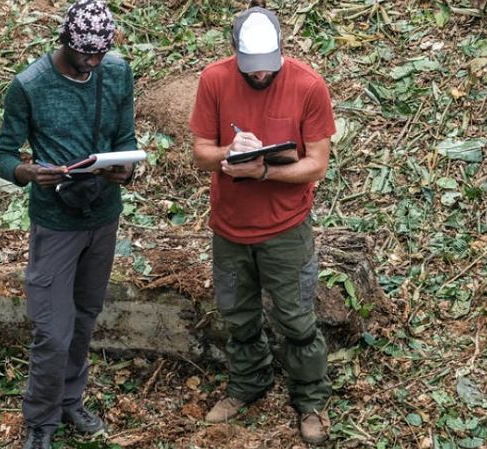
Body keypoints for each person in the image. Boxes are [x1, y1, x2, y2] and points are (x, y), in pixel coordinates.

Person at [0, 1, 138, 447]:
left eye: (100, 54)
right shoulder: (30, 86)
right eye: (84, 55)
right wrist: (29, 173)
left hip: (103, 214)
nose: (92, 63)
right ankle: (40, 421)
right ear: (64, 43)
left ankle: (71, 400)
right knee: (53, 330)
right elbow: (3, 156)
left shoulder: (116, 73)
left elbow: (125, 138)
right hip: (55, 221)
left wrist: (125, 170)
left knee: (85, 316)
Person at [188, 0, 336, 444]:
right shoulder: (214, 80)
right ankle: (247, 383)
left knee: (295, 318)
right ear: (235, 52)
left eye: (266, 67)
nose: (259, 75)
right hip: (230, 227)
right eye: (251, 68)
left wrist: (266, 171)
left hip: (285, 227)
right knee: (238, 314)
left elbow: (317, 165)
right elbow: (200, 153)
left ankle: (311, 399)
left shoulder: (308, 85)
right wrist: (230, 155)